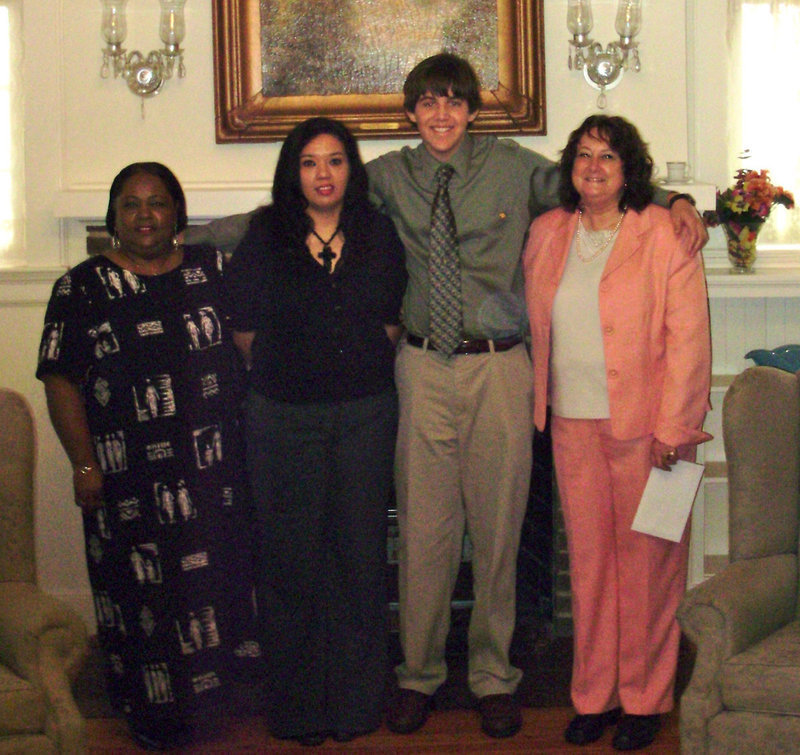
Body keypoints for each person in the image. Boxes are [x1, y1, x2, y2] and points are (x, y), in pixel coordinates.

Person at [184, 52, 708, 740]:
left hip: (501, 370)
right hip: (421, 367)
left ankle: (494, 677)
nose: (441, 115)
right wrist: (185, 235)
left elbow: (597, 184)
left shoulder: (518, 169)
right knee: (427, 534)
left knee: (497, 532)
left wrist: (675, 200)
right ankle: (418, 675)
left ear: (471, 109)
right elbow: (301, 202)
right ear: (411, 112)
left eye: (454, 103)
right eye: (428, 103)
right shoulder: (387, 177)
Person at [36, 162, 263, 750]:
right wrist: (84, 464)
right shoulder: (79, 288)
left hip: (213, 473)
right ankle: (151, 714)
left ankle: (217, 708)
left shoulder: (214, 270)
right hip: (124, 477)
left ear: (178, 215)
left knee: (216, 586)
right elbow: (60, 380)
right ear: (113, 217)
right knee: (141, 597)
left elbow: (251, 349)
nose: (144, 216)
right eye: (130, 204)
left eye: (157, 203)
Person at [522, 115, 711, 751]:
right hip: (571, 425)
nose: (593, 167)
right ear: (569, 167)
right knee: (590, 569)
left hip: (648, 431)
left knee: (650, 567)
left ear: (629, 168)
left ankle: (645, 700)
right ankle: (594, 696)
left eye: (607, 156)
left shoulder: (663, 233)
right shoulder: (547, 234)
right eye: (582, 156)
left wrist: (677, 427)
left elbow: (689, 340)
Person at [224, 117, 407, 746]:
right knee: (289, 566)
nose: (323, 174)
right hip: (281, 420)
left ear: (351, 169)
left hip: (364, 417)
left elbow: (389, 322)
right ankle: (299, 711)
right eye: (309, 162)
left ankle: (356, 708)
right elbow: (244, 330)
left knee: (358, 564)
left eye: (335, 161)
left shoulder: (378, 233)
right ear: (291, 171)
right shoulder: (262, 236)